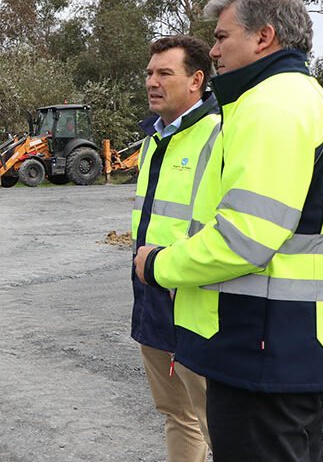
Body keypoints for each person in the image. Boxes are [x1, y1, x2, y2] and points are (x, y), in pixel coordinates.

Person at [135, 0, 323, 462]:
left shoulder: (269, 107)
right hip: (300, 341)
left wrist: (158, 265)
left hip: (263, 347)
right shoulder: (316, 102)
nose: (213, 50)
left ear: (263, 36)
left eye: (221, 37)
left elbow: (243, 239)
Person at [131, 35, 220, 462]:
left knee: (217, 423)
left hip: (198, 305)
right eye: (150, 72)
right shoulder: (153, 139)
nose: (152, 81)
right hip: (152, 296)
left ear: (196, 80)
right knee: (175, 413)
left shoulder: (220, 135)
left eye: (165, 73)